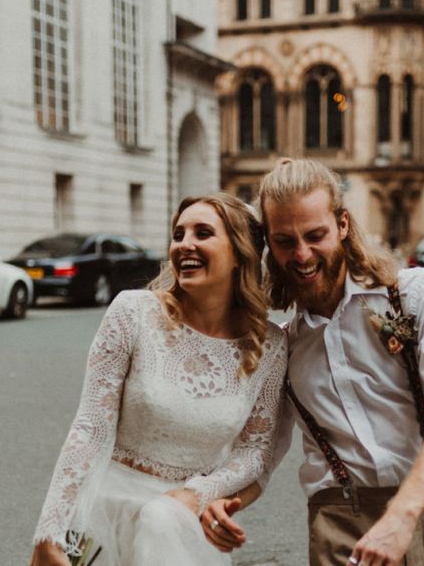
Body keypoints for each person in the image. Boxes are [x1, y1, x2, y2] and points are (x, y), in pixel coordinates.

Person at [203, 159, 424, 566]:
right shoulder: (284, 344)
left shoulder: (416, 294)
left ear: (343, 225)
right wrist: (222, 499)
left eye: (315, 235)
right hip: (339, 525)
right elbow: (262, 451)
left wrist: (402, 517)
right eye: (284, 241)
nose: (302, 254)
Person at [30, 193, 287, 566]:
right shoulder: (132, 313)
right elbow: (91, 426)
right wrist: (50, 527)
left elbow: (255, 451)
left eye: (203, 233)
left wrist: (194, 496)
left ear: (240, 253)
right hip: (103, 512)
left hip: (182, 526)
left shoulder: (271, 347)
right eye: (178, 234)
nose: (185, 245)